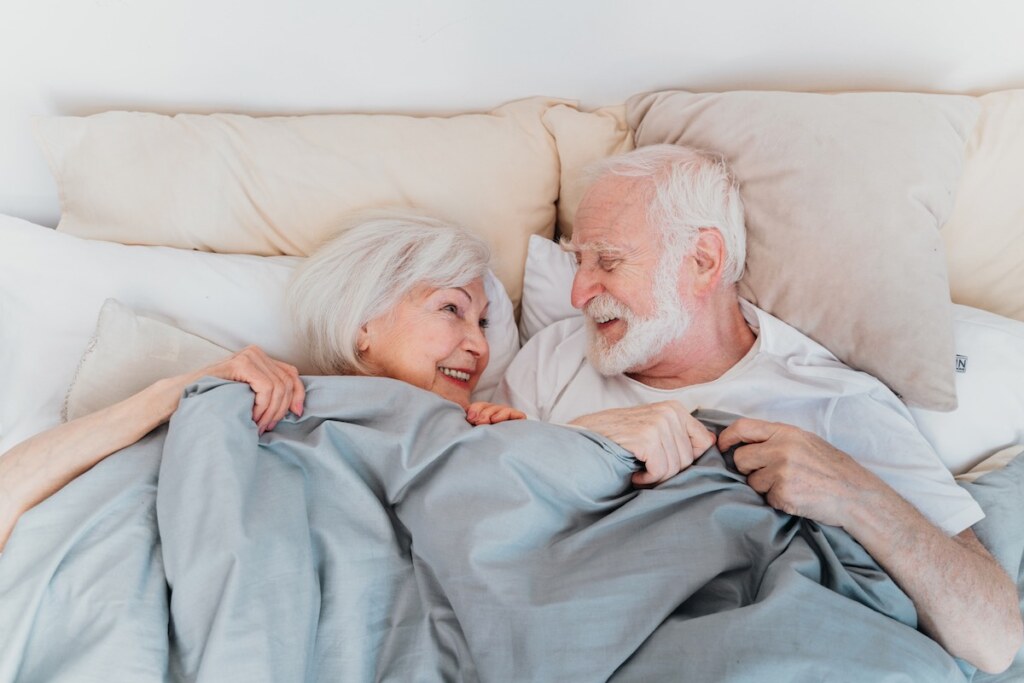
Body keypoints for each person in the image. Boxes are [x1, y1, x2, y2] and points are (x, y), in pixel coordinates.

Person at [495, 145, 1023, 673]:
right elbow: (485, 534)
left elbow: (993, 640)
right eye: (576, 260)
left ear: (704, 261)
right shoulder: (551, 359)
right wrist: (588, 443)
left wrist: (854, 492)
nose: (579, 292)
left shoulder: (835, 402)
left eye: (607, 261)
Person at [0, 214, 524, 554]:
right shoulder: (257, 403)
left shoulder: (485, 433)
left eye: (481, 322)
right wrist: (177, 392)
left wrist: (509, 455)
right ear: (364, 324)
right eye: (451, 308)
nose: (480, 345)